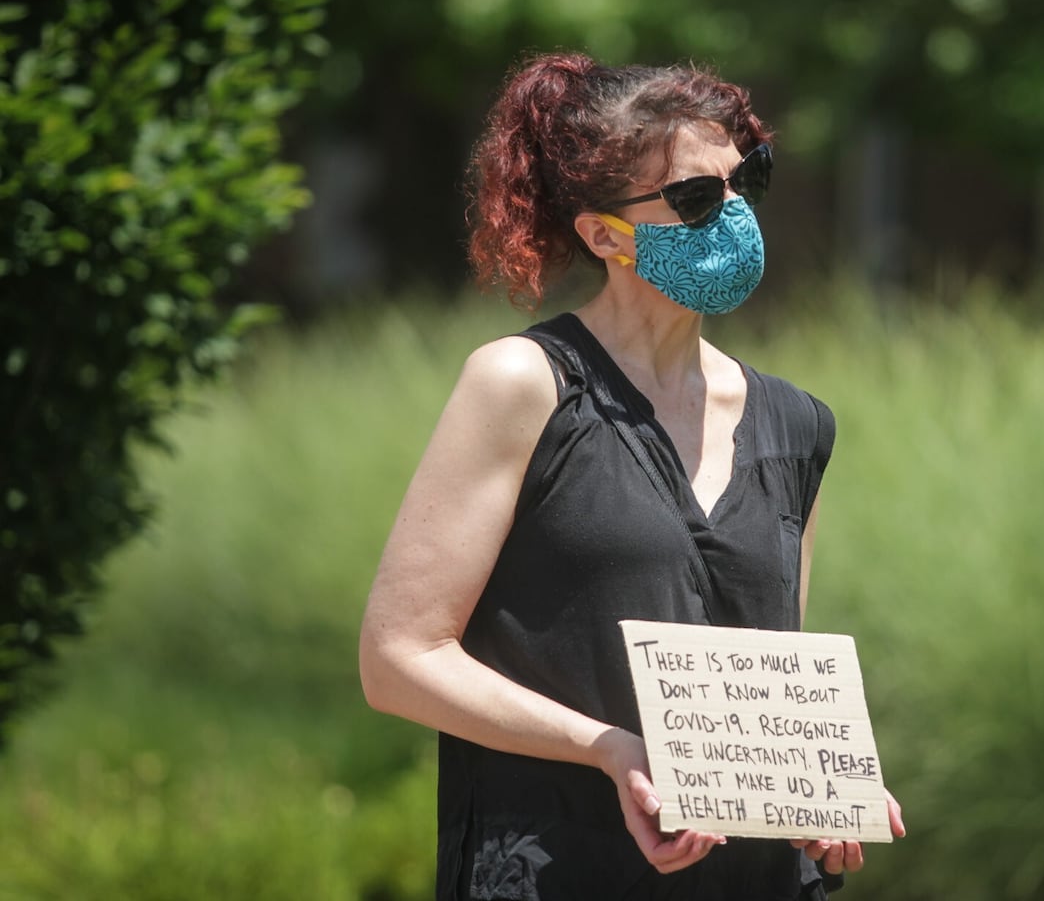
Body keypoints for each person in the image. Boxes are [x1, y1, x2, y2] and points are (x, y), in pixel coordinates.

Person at [358, 51, 904, 901]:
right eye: (695, 198)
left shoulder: (799, 425)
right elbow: (397, 659)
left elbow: (762, 693)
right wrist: (608, 749)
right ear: (604, 235)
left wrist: (817, 787)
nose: (733, 215)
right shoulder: (522, 384)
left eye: (743, 180)